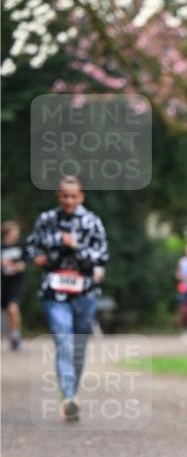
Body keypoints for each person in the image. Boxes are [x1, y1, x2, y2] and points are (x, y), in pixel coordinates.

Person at [25, 176, 109, 422]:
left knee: (79, 347)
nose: (69, 200)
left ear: (81, 197)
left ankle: (73, 390)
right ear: (58, 196)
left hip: (85, 292)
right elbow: (30, 246)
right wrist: (37, 256)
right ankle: (69, 397)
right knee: (64, 341)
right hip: (54, 291)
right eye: (65, 196)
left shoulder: (92, 222)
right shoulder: (46, 220)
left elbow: (101, 258)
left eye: (74, 196)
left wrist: (74, 246)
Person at [1, 220, 26, 351]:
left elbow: (25, 262)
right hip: (4, 283)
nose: (17, 234)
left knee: (13, 308)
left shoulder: (21, 246)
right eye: (15, 231)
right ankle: (12, 334)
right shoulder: (1, 247)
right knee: (7, 311)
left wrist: (19, 266)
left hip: (16, 282)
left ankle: (16, 334)